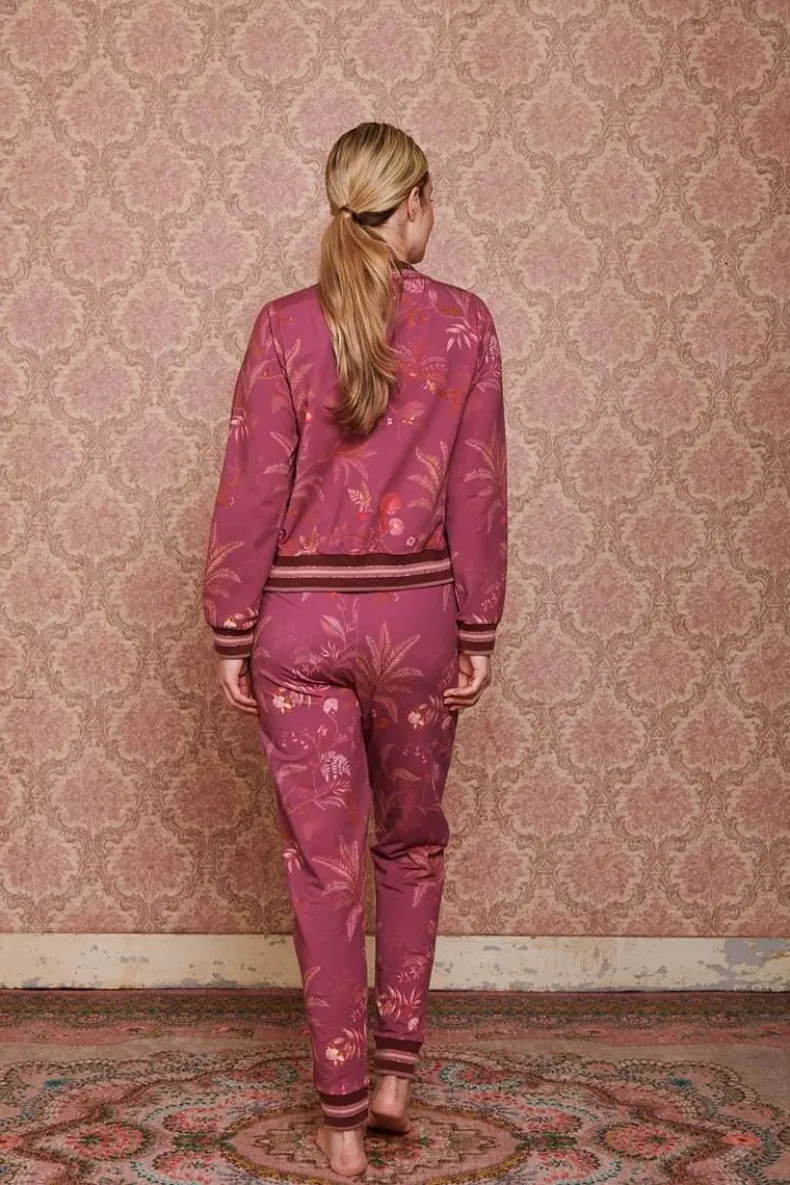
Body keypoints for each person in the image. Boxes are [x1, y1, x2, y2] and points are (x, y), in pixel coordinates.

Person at [202, 121, 507, 1177]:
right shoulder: (465, 324)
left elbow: (251, 488)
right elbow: (478, 486)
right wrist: (478, 625)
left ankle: (339, 1125)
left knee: (321, 865)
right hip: (417, 623)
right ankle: (392, 1081)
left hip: (298, 628)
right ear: (411, 203)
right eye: (430, 199)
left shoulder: (284, 327)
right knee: (410, 845)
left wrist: (231, 627)